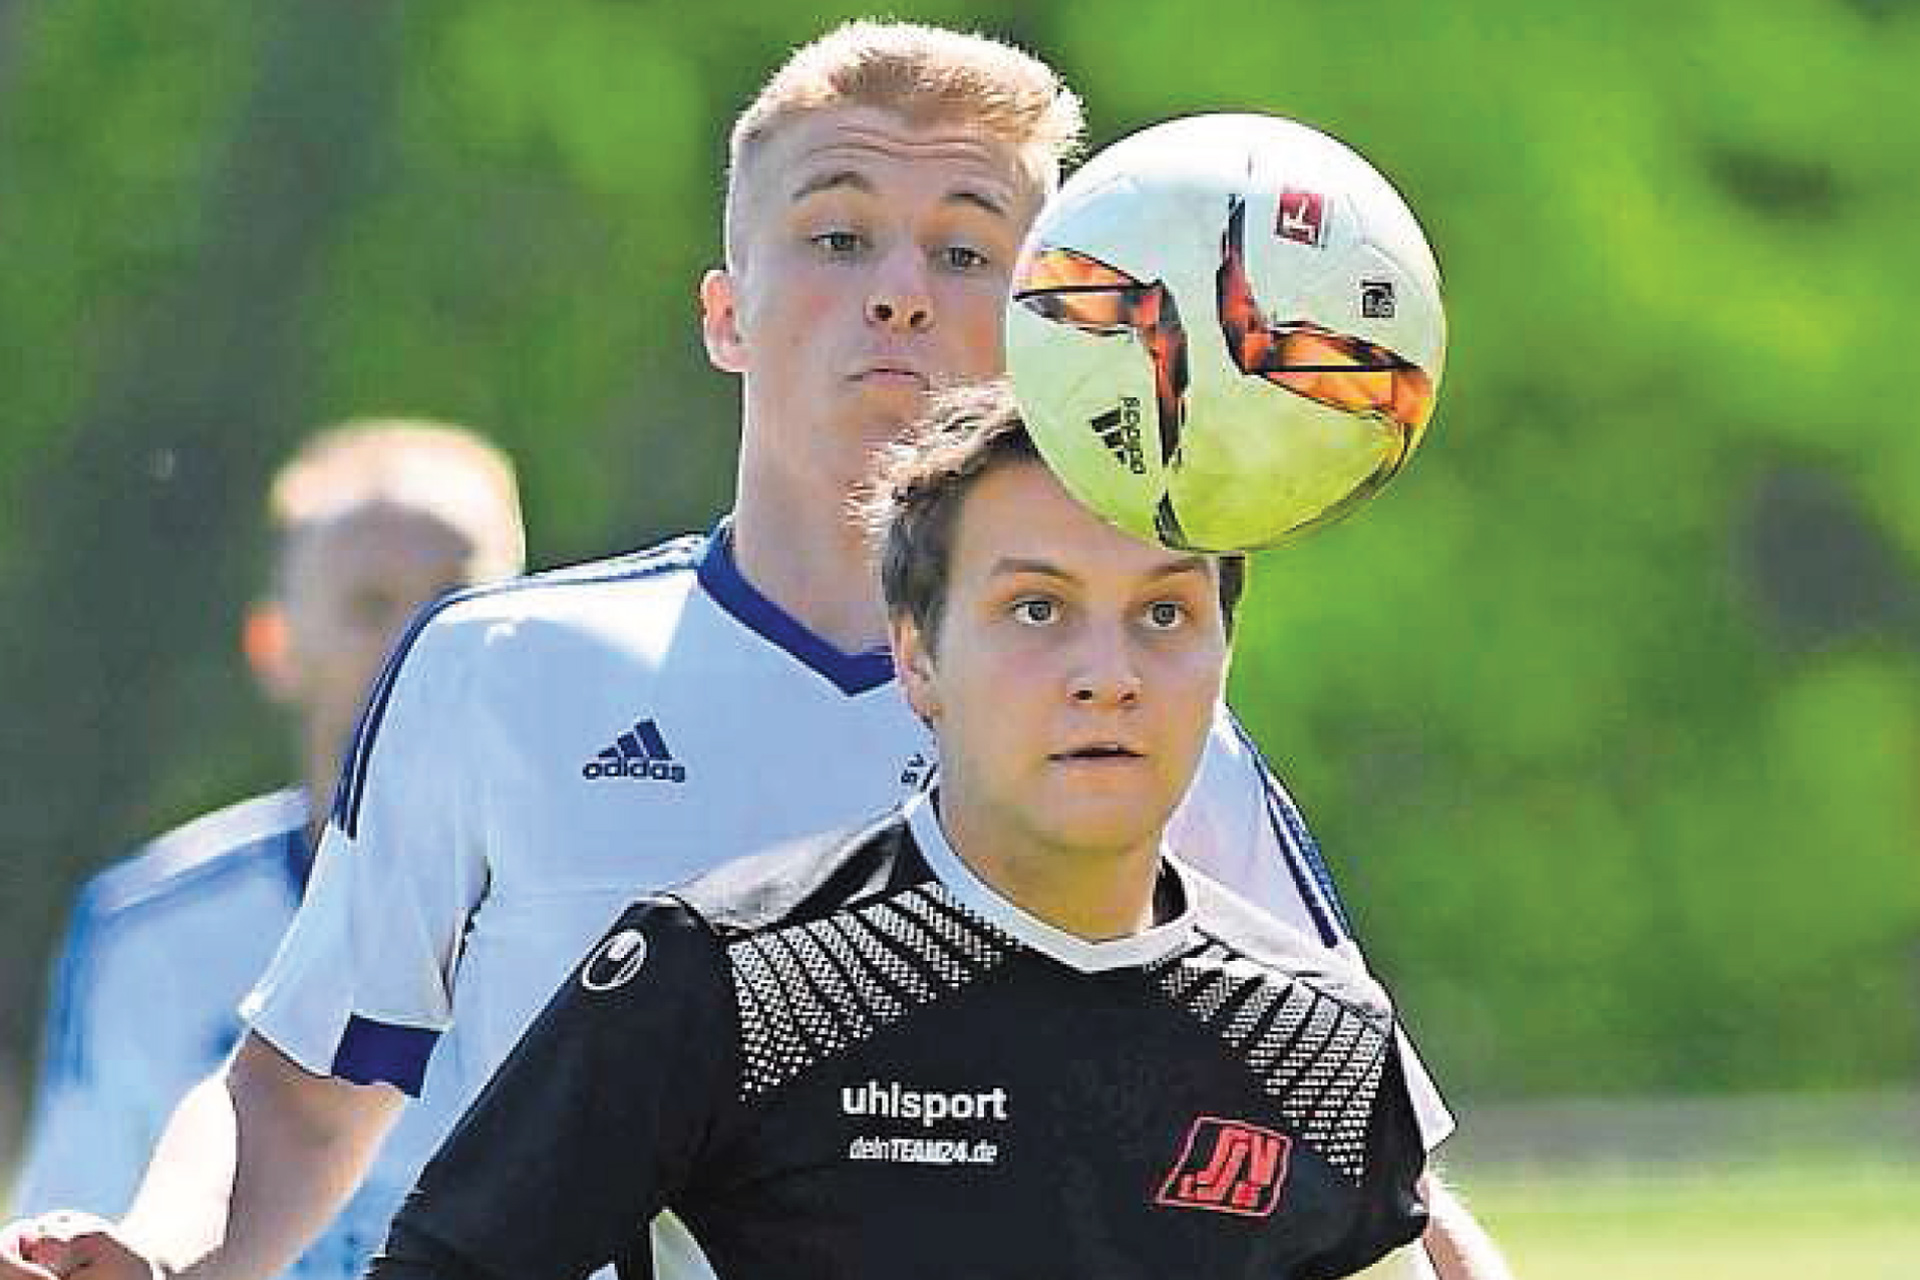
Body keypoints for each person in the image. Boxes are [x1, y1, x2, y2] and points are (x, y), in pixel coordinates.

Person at [1, 20, 1507, 1280]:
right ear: (728, 311)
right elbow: (299, 1095)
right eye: (839, 235)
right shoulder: (503, 672)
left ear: (1064, 322)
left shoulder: (1134, 711)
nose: (902, 288)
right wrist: (162, 1252)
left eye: (970, 250)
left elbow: (1369, 1154)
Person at [368, 380, 1432, 1280]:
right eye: (1037, 609)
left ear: (1222, 654)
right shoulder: (723, 979)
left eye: (1163, 613)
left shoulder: (1323, 1041)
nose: (1108, 676)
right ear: (916, 657)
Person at [9, 421, 527, 1280]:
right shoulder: (143, 930)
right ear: (276, 647)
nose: (419, 642)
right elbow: (82, 1229)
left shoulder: (608, 902)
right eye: (370, 605)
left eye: (456, 597)